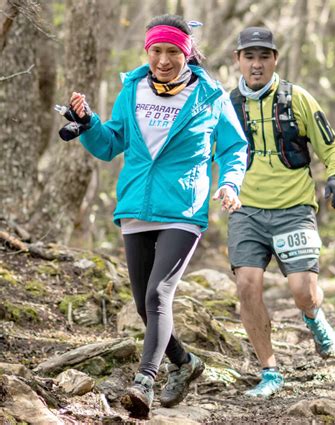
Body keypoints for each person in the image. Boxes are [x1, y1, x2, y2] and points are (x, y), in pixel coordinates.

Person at [67, 15, 247, 417]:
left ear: (187, 54)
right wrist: (88, 124)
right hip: (136, 206)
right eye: (156, 51)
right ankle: (186, 364)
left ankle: (144, 380)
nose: (164, 60)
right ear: (147, 52)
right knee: (144, 306)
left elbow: (235, 149)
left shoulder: (210, 96)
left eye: (172, 52)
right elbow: (110, 143)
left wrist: (231, 184)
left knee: (158, 294)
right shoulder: (132, 89)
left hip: (182, 208)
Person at [228, 26, 335, 398]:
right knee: (247, 285)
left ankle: (314, 316)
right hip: (246, 210)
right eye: (249, 56)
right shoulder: (228, 105)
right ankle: (270, 372)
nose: (257, 64)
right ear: (238, 61)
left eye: (264, 56)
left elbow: (332, 146)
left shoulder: (297, 99)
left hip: (294, 209)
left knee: (302, 292)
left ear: (275, 59)